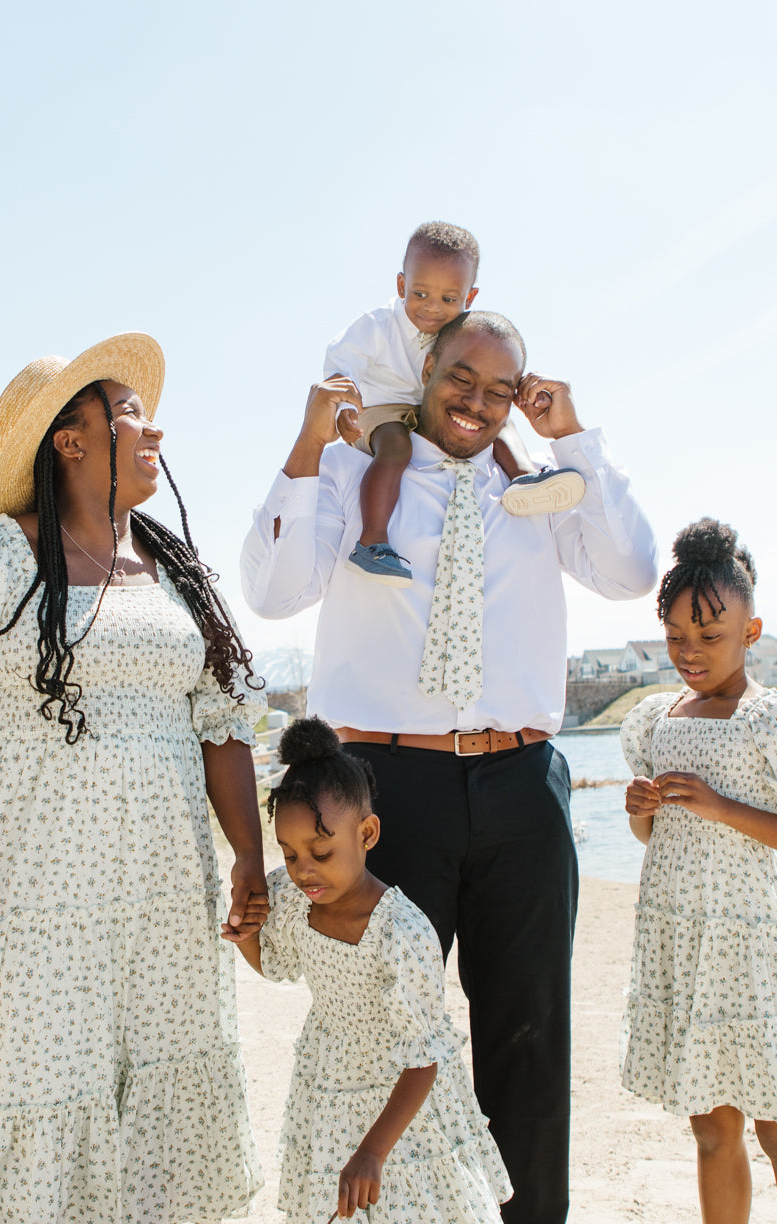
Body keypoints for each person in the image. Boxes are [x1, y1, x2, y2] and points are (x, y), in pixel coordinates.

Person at [240, 309, 657, 1224]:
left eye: (498, 389)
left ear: (519, 397)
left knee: (529, 1043)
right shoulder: (356, 477)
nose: (476, 402)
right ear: (426, 367)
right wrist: (310, 445)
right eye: (460, 378)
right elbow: (270, 592)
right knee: (388, 1044)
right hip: (390, 794)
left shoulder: (544, 488)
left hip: (523, 784)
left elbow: (633, 572)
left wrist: (572, 435)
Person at [0, 334, 266, 1222]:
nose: (153, 429)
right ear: (70, 440)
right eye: (127, 411)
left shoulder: (179, 576)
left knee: (162, 1122)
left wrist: (249, 856)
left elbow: (222, 725)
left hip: (169, 904)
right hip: (30, 905)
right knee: (36, 1097)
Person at [228, 716, 512, 1222]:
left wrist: (373, 1151)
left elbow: (424, 1058)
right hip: (330, 1086)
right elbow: (275, 964)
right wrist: (246, 931)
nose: (303, 870)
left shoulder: (401, 933)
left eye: (321, 852)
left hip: (402, 1105)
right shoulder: (296, 900)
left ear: (367, 832)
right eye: (290, 855)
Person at [621, 518, 777, 1224]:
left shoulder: (764, 718)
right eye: (677, 637)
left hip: (755, 955)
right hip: (689, 949)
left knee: (775, 1126)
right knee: (713, 1129)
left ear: (751, 632)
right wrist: (639, 808)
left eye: (710, 637)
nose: (690, 652)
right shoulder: (658, 719)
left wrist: (721, 807)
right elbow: (654, 839)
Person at [326, 221, 585, 585]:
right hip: (381, 409)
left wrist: (519, 387)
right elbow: (343, 362)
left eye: (448, 299)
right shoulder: (377, 326)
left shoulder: (463, 330)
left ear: (470, 297)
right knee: (396, 447)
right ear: (401, 286)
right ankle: (372, 541)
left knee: (494, 418)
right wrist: (345, 408)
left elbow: (493, 364)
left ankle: (525, 478)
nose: (432, 308)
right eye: (420, 294)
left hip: (428, 409)